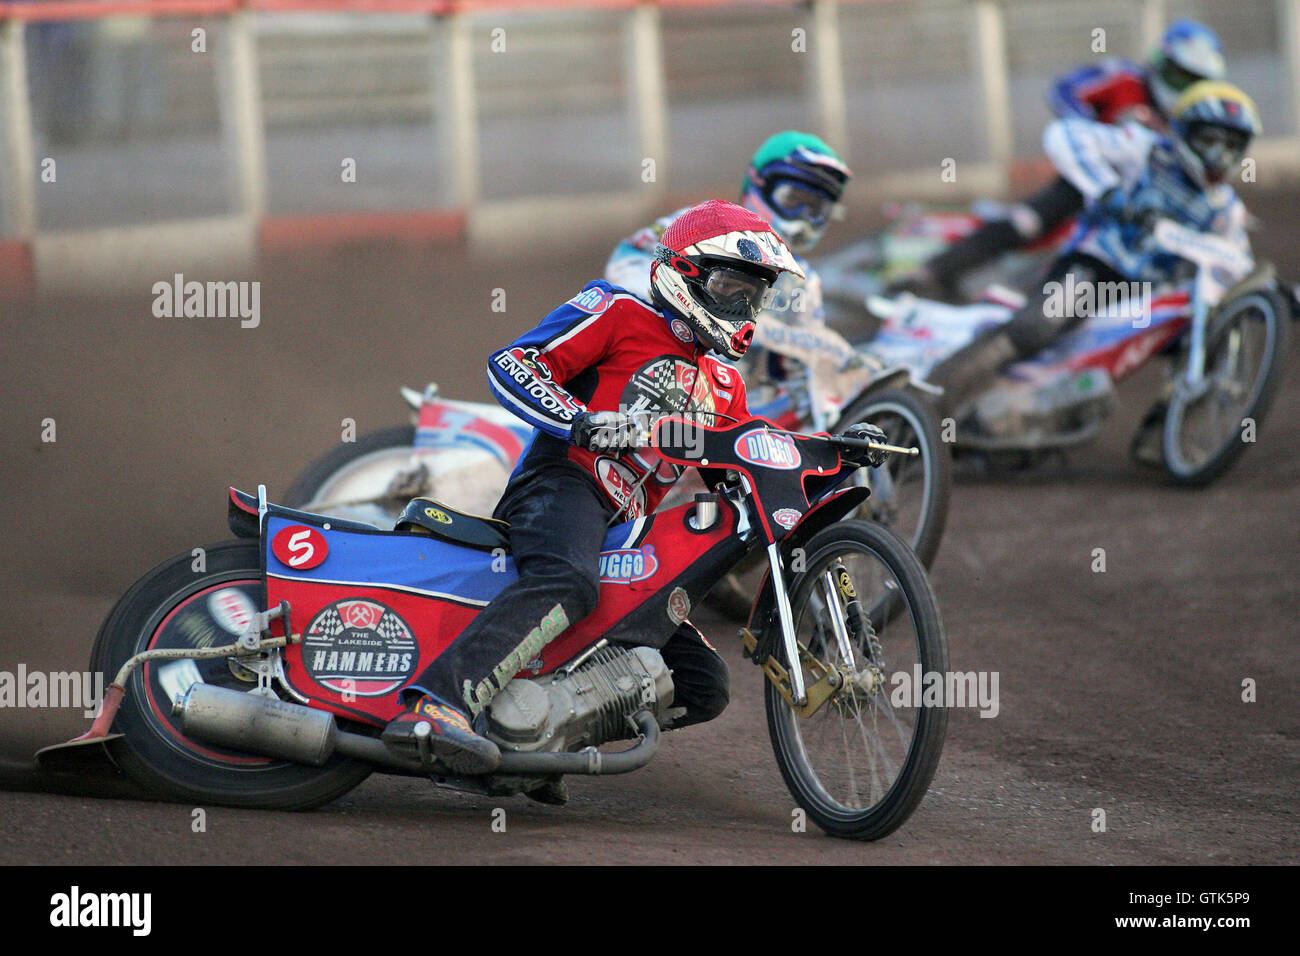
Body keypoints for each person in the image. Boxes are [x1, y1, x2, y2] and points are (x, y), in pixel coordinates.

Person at [382, 200, 852, 785]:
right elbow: (513, 363)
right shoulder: (616, 309)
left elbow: (742, 465)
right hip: (563, 484)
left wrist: (831, 453)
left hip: (629, 529)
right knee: (569, 581)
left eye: (753, 295)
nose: (744, 307)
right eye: (732, 287)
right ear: (684, 271)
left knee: (705, 685)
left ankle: (541, 738)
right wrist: (579, 421)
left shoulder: (725, 381)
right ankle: (435, 705)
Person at [926, 81, 1260, 442]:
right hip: (1098, 268)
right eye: (1211, 140)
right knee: (1037, 326)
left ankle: (1166, 433)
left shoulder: (1225, 209)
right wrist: (1109, 191)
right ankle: (926, 408)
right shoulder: (1144, 148)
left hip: (1150, 298)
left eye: (1231, 145)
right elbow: (1064, 135)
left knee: (1214, 330)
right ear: (1185, 132)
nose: (1219, 155)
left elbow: (1234, 265)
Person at [896, 19, 1227, 302]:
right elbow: (1064, 90)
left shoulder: (1194, 123)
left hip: (1138, 207)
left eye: (1194, 82)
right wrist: (1093, 131)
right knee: (1028, 223)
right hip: (1083, 184)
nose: (1183, 88)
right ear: (1160, 63)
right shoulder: (1122, 78)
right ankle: (929, 273)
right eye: (1179, 76)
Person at [608, 130, 861, 424]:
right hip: (653, 375)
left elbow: (794, 365)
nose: (804, 217)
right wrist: (689, 307)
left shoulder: (803, 280)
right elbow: (626, 260)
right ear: (759, 186)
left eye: (817, 209)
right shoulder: (702, 223)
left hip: (725, 406)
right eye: (794, 199)